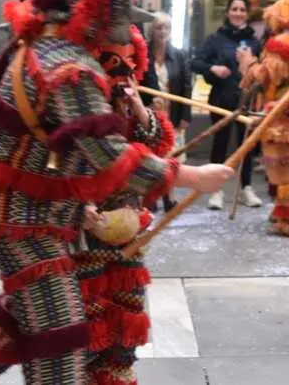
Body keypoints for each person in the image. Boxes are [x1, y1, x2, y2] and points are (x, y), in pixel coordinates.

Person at [0, 0, 233, 385]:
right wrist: (194, 178)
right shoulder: (68, 66)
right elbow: (109, 156)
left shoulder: (46, 49)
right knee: (60, 331)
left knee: (40, 308)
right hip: (21, 213)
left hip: (30, 206)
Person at [80, 24, 175, 385]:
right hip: (85, 231)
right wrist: (81, 205)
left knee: (126, 315)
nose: (122, 68)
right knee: (89, 324)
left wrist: (140, 109)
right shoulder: (77, 103)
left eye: (130, 60)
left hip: (127, 229)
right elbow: (61, 158)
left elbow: (156, 149)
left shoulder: (131, 104)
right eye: (113, 59)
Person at [241, 0, 289, 236]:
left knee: (280, 166)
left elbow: (267, 77)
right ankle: (284, 210)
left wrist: (248, 65)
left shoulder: (282, 43)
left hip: (279, 118)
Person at [191, 0, 263, 210]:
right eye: (234, 9)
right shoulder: (216, 39)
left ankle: (246, 188)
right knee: (220, 144)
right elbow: (195, 62)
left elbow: (264, 69)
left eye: (242, 9)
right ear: (228, 12)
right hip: (221, 98)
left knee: (246, 145)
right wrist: (212, 69)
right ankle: (216, 190)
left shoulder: (254, 41)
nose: (238, 13)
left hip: (246, 100)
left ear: (247, 14)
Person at [140, 12, 191, 211]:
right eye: (158, 27)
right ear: (151, 31)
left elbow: (186, 86)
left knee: (172, 156)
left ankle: (169, 196)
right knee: (151, 157)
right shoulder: (143, 54)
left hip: (173, 114)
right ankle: (151, 196)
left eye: (166, 28)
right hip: (150, 115)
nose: (162, 32)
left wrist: (186, 115)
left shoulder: (179, 55)